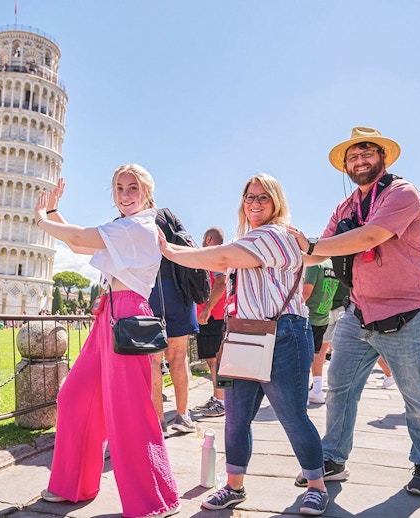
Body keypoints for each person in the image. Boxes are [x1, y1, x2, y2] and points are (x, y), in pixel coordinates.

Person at [160, 173, 328, 516]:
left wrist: (170, 251)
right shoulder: (250, 237)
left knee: (293, 417)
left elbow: (219, 259)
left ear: (276, 202)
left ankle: (316, 486)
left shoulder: (275, 234)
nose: (254, 203)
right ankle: (234, 486)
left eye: (262, 198)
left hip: (284, 333)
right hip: (244, 334)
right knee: (235, 418)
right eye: (249, 197)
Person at [289, 127, 420, 496]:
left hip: (407, 311)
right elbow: (318, 252)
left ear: (382, 158)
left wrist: (309, 243)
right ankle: (333, 458)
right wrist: (277, 245)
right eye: (353, 157)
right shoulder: (344, 207)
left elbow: (371, 235)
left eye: (367, 153)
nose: (360, 161)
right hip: (359, 311)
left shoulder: (402, 193)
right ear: (346, 166)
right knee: (339, 386)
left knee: (416, 393)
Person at [34, 165, 180, 518]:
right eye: (119, 188)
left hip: (128, 311)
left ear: (147, 193)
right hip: (109, 314)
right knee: (75, 396)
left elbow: (82, 238)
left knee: (129, 409)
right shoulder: (123, 229)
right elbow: (79, 241)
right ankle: (71, 485)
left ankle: (154, 499)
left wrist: (40, 219)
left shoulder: (141, 225)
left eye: (133, 188)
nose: (125, 194)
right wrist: (53, 213)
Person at [150, 209, 200, 434]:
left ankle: (158, 421)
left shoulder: (130, 219)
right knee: (179, 357)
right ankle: (182, 415)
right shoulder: (167, 215)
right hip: (178, 291)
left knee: (152, 361)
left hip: (149, 290)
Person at [193, 226, 228, 418]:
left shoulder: (214, 257)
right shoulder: (221, 256)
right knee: (215, 359)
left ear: (207, 239)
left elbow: (221, 283)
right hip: (216, 314)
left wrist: (206, 309)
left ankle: (221, 401)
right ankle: (219, 398)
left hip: (213, 315)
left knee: (215, 360)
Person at [303, 259, 339, 405]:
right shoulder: (331, 264)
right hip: (323, 315)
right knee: (317, 353)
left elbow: (306, 292)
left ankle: (302, 395)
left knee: (301, 356)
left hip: (308, 315)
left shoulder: (314, 264)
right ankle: (317, 390)